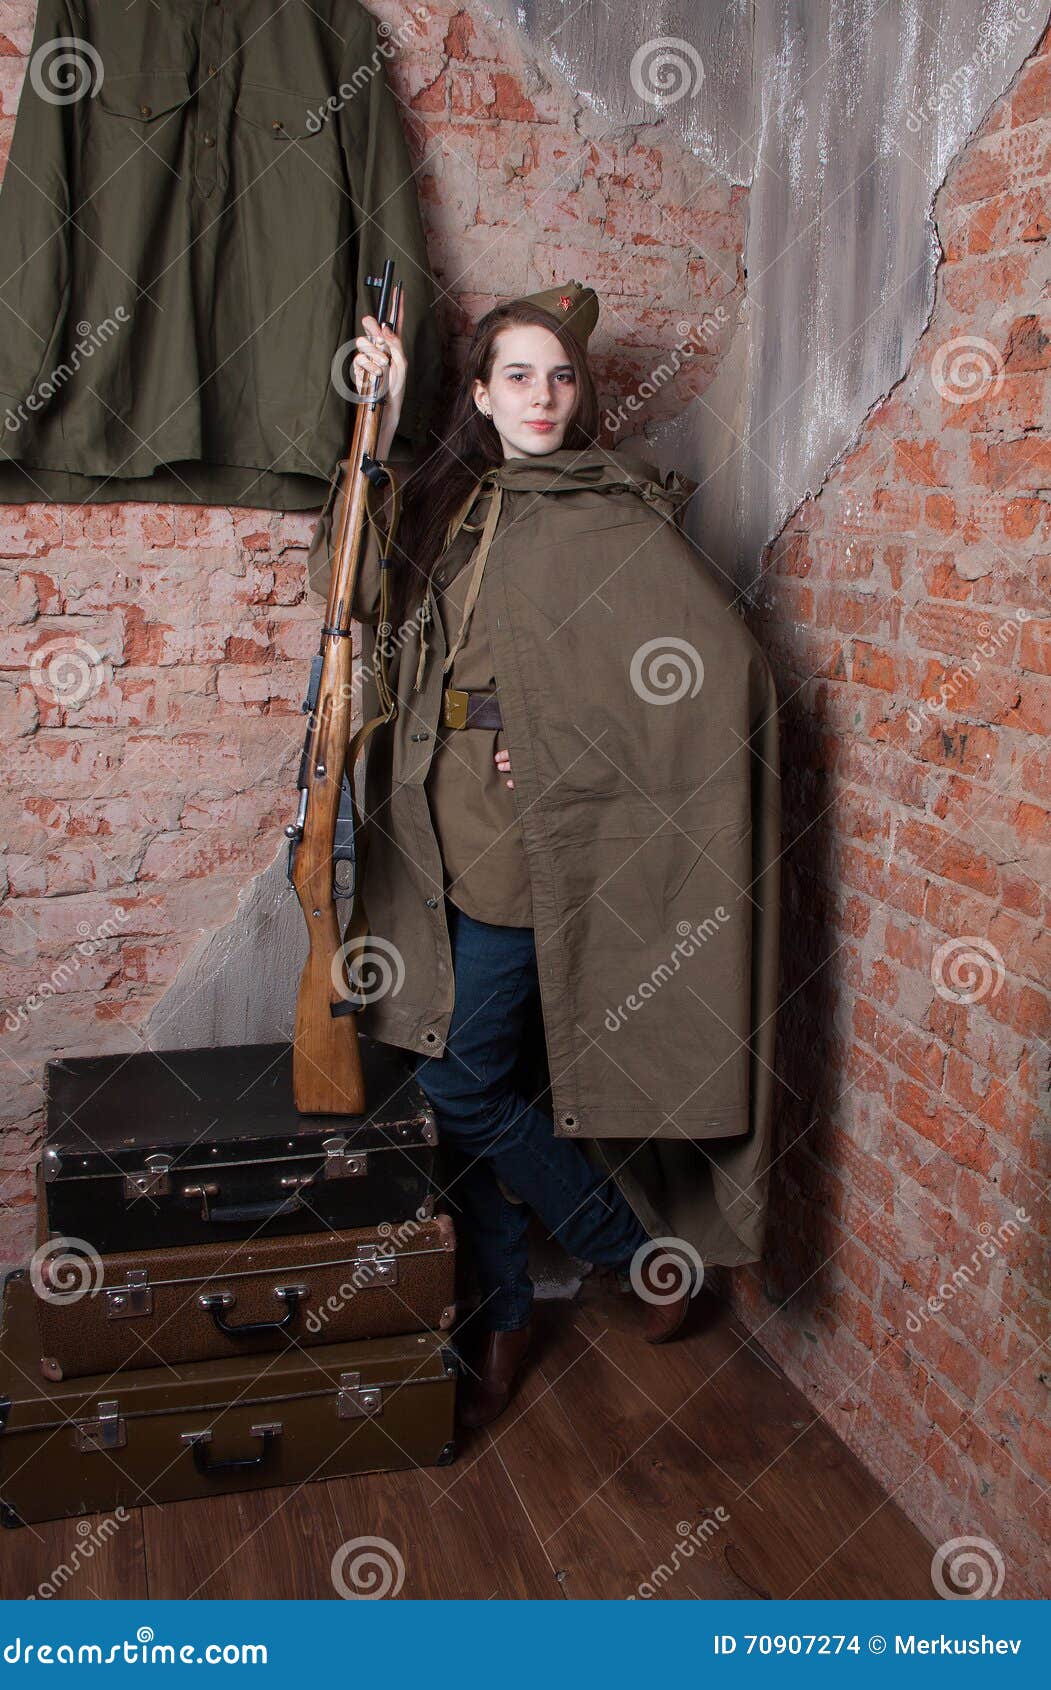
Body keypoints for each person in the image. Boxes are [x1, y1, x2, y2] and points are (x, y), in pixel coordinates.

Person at [333, 282, 723, 1428]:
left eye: (560, 376)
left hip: (521, 847)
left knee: (460, 1079)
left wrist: (574, 750)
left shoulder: (610, 508)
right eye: (518, 375)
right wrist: (384, 416)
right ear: (480, 394)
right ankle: (503, 1311)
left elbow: (685, 672)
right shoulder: (452, 504)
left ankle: (637, 1255)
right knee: (457, 1080)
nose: (543, 395)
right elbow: (347, 589)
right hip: (423, 829)